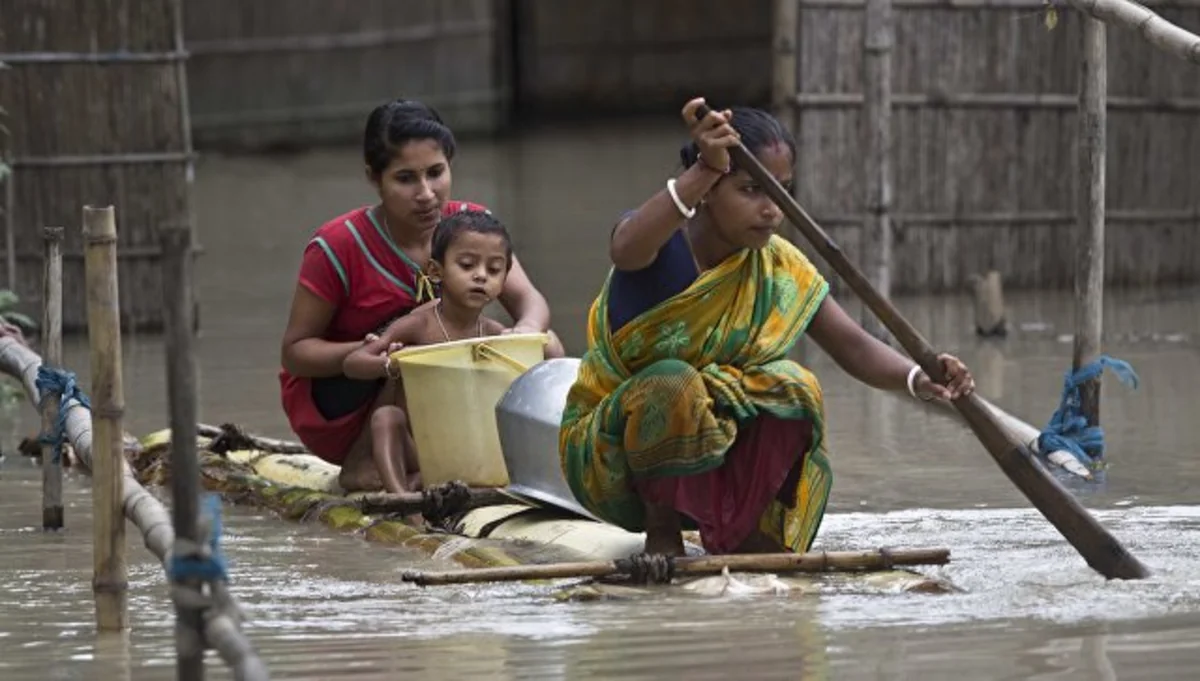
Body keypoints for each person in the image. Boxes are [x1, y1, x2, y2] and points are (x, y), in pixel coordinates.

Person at [558, 97, 976, 558]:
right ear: (710, 188)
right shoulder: (661, 243)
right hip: (614, 461)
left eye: (781, 192)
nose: (772, 210)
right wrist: (705, 168)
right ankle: (663, 533)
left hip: (712, 451)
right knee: (673, 382)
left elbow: (852, 345)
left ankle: (747, 533)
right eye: (751, 189)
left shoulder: (777, 265)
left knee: (795, 386)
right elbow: (624, 248)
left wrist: (920, 377)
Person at [280, 98, 555, 494]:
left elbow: (531, 302)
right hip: (347, 397)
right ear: (375, 178)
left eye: (436, 173)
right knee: (425, 338)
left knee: (547, 343)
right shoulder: (338, 245)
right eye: (406, 178)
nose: (426, 194)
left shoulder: (472, 226)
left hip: (439, 391)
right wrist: (378, 352)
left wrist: (524, 331)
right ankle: (364, 463)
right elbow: (295, 353)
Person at [342, 209, 565, 494]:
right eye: (467, 265)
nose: (481, 276)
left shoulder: (494, 333)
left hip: (474, 451)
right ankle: (403, 499)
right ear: (436, 271)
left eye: (494, 270)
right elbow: (353, 362)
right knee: (386, 417)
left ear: (504, 280)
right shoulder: (419, 325)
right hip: (420, 449)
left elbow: (552, 366)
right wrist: (389, 364)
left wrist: (545, 344)